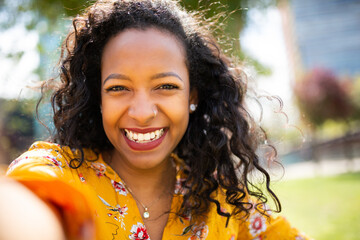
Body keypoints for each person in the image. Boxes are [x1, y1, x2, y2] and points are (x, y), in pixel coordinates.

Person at [1, 0, 310, 239]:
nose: (142, 112)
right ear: (98, 97)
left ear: (193, 95)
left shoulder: (223, 201)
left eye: (166, 86)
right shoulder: (56, 171)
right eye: (118, 88)